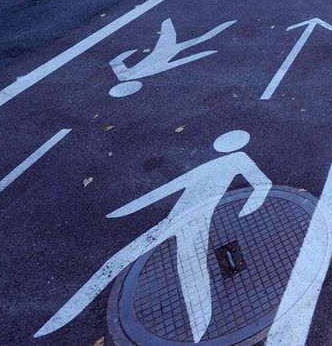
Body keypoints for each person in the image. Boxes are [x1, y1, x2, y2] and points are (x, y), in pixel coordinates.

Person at [35, 130, 271, 342]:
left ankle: (199, 326)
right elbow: (172, 188)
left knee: (188, 264)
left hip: (197, 218)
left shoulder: (239, 159)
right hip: (175, 218)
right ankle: (71, 308)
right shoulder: (235, 159)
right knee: (154, 260)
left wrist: (249, 207)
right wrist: (129, 208)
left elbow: (260, 183)